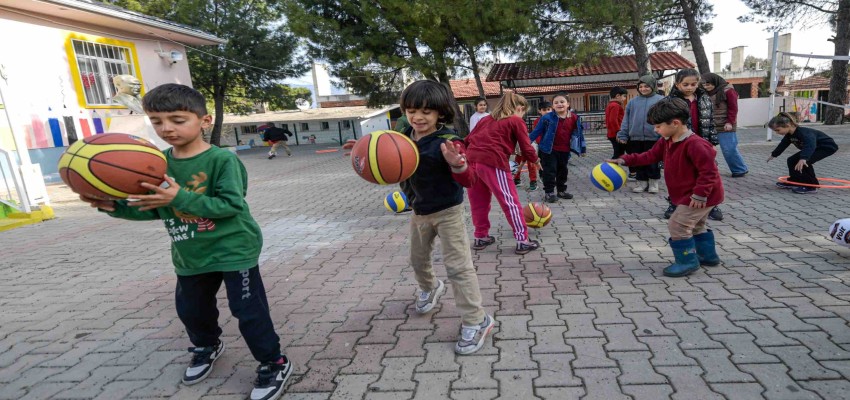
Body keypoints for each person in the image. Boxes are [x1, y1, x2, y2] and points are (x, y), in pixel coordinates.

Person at [78, 84, 291, 400]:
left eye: (177, 120)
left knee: (248, 311)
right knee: (191, 310)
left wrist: (180, 196)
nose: (166, 128)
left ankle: (274, 362)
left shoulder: (222, 160)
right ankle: (207, 345)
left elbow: (231, 205)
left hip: (234, 249)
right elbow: (156, 209)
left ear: (204, 121)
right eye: (157, 121)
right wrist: (113, 206)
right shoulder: (155, 163)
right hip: (190, 253)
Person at [399, 80, 494, 354]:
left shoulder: (449, 142)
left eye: (426, 112)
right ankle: (430, 287)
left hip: (448, 212)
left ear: (440, 112)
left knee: (458, 267)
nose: (418, 117)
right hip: (419, 211)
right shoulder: (404, 136)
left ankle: (477, 320)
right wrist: (368, 150)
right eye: (411, 111)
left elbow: (470, 180)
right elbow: (384, 155)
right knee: (417, 259)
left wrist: (458, 165)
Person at [607, 97, 724, 278]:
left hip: (700, 196)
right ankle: (707, 256)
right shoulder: (667, 140)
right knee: (696, 226)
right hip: (692, 195)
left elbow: (709, 172)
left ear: (675, 123)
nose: (656, 130)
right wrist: (624, 160)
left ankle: (687, 262)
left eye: (658, 126)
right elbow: (649, 156)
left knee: (677, 225)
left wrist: (700, 194)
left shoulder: (696, 144)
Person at [465, 92, 542, 255]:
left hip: (471, 161)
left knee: (478, 202)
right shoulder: (516, 120)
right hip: (493, 161)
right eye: (523, 112)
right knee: (510, 201)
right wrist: (535, 160)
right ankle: (522, 241)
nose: (522, 115)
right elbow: (526, 146)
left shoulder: (485, 119)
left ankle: (480, 237)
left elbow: (468, 139)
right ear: (520, 108)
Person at [666, 69, 721, 221]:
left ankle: (711, 205)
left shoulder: (705, 99)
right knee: (680, 176)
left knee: (707, 173)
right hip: (681, 144)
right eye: (685, 84)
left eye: (693, 84)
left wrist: (712, 143)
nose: (689, 87)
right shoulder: (670, 102)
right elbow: (666, 125)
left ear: (698, 84)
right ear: (677, 84)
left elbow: (710, 122)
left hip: (702, 143)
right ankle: (675, 204)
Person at [529, 93, 586, 203]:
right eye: (556, 102)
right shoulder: (546, 117)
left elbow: (579, 134)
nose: (559, 104)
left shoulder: (574, 117)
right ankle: (549, 192)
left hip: (565, 149)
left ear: (568, 104)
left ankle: (561, 191)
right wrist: (526, 144)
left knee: (562, 171)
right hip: (548, 149)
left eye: (562, 102)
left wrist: (582, 148)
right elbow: (536, 132)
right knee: (549, 171)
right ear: (553, 106)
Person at [768, 112, 838, 194]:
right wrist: (774, 154)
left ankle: (811, 186)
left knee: (805, 163)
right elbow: (783, 144)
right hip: (813, 148)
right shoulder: (789, 135)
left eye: (778, 130)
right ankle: (794, 181)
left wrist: (804, 158)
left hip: (826, 147)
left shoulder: (804, 133)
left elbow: (810, 145)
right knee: (791, 160)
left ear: (788, 125)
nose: (777, 133)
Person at [616, 76, 664, 193]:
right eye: (640, 86)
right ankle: (642, 183)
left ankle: (653, 183)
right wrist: (623, 134)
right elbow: (626, 120)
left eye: (646, 86)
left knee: (653, 161)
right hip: (635, 138)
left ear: (653, 86)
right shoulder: (632, 102)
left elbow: (666, 118)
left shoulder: (661, 100)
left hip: (654, 137)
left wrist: (663, 134)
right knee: (638, 161)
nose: (643, 89)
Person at [702, 73, 749, 178]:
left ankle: (739, 169)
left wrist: (729, 122)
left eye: (708, 84)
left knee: (729, 149)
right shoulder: (704, 93)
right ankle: (710, 170)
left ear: (715, 82)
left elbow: (733, 108)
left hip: (725, 125)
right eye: (704, 84)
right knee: (706, 150)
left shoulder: (728, 91)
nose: (706, 87)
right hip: (710, 125)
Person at [513, 101, 550, 190]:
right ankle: (517, 179)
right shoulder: (515, 120)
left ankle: (533, 181)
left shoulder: (519, 121)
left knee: (531, 163)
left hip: (528, 145)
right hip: (521, 146)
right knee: (520, 162)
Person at [606, 87, 627, 159]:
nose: (624, 99)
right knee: (618, 154)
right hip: (616, 134)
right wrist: (618, 132)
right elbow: (613, 120)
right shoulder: (616, 105)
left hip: (612, 133)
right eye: (624, 96)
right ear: (618, 96)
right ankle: (609, 166)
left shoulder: (610, 105)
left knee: (619, 153)